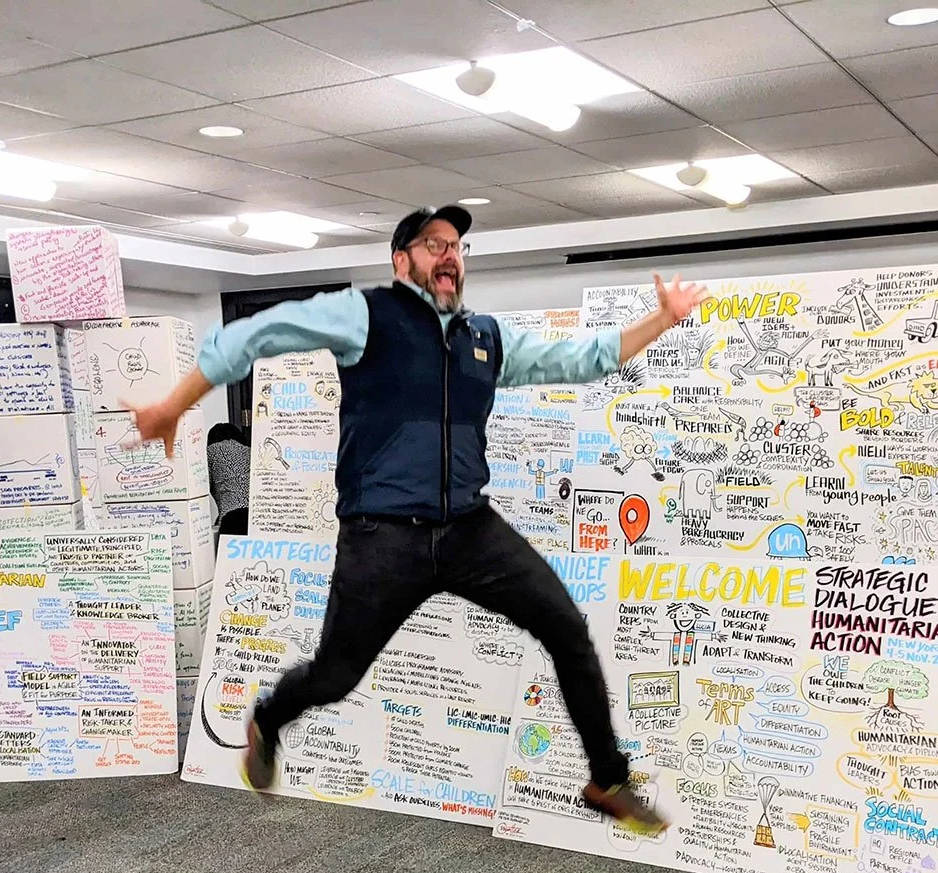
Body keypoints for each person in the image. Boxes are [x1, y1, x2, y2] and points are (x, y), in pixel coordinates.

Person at [125, 205, 708, 836]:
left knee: (566, 627)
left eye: (457, 245)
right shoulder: (365, 314)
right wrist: (172, 405)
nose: (450, 254)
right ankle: (268, 719)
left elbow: (579, 358)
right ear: (402, 261)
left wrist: (662, 319)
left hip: (468, 527)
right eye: (434, 245)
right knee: (336, 675)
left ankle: (607, 778)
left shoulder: (485, 336)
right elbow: (253, 335)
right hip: (382, 535)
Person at [206, 422, 250, 544]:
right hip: (256, 516)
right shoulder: (249, 451)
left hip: (231, 518)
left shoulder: (211, 452)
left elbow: (202, 488)